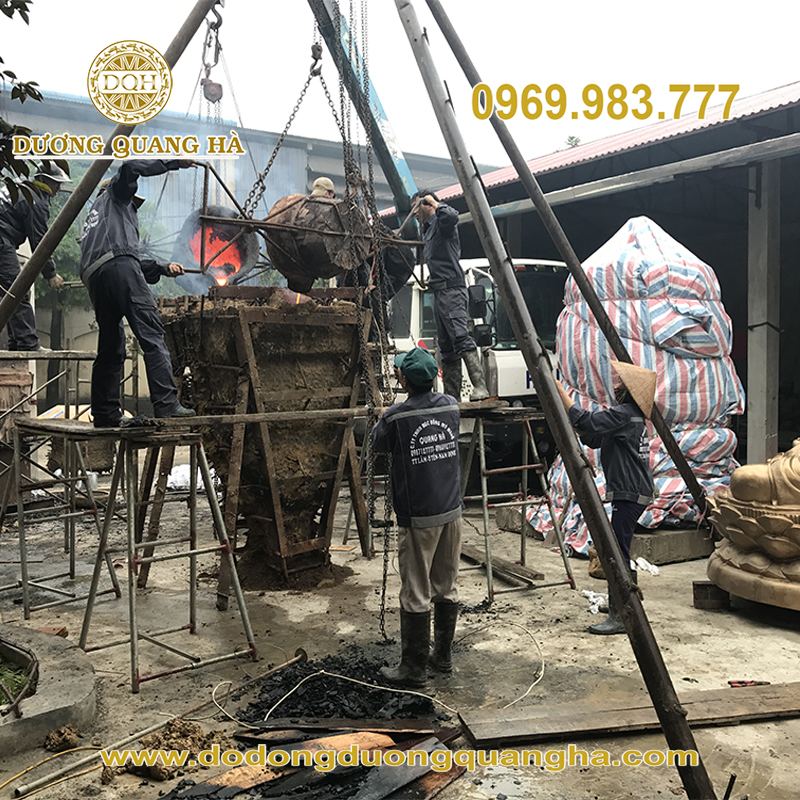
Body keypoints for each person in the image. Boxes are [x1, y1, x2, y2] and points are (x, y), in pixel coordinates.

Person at [79, 159, 196, 427]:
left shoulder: (94, 221)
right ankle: (167, 405)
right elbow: (130, 167)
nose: (134, 206)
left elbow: (119, 259)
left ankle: (105, 413)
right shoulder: (116, 195)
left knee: (111, 347)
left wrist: (162, 268)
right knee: (152, 333)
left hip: (97, 278)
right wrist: (173, 163)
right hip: (118, 268)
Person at [371, 347, 463, 687]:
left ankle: (413, 668)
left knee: (416, 590)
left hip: (419, 516)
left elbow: (378, 443)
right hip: (451, 511)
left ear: (404, 381)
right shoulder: (451, 406)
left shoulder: (396, 418)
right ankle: (443, 657)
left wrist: (382, 415)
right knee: (446, 585)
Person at [555, 361, 656, 635]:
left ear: (629, 390)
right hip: (634, 491)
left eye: (621, 383)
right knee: (619, 549)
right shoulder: (631, 417)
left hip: (629, 492)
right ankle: (625, 605)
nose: (616, 386)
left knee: (618, 553)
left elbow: (588, 422)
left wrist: (560, 392)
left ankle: (622, 614)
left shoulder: (624, 414)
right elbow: (593, 437)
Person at [412, 189, 488, 402]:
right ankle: (452, 396)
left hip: (452, 291)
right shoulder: (428, 230)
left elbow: (452, 216)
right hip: (440, 292)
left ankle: (480, 386)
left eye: (416, 207)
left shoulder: (442, 223)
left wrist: (434, 202)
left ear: (426, 204)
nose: (414, 213)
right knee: (447, 348)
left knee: (460, 337)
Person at [0, 162, 70, 350]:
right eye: (56, 183)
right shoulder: (36, 200)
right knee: (17, 290)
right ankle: (27, 343)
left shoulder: (22, 186)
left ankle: (17, 342)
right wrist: (51, 274)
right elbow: (40, 242)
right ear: (44, 180)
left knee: (9, 293)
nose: (59, 188)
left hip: (3, 238)